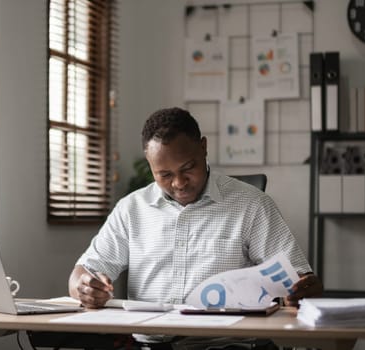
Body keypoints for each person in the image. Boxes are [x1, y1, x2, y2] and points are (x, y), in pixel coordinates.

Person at [68, 107, 323, 348]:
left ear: (204, 147)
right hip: (150, 345)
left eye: (188, 168)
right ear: (150, 166)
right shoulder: (132, 209)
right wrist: (85, 287)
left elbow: (301, 280)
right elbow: (82, 274)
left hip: (226, 346)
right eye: (165, 175)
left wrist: (300, 290)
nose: (179, 183)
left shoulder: (251, 205)